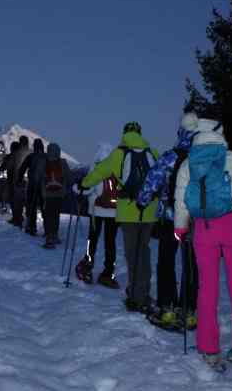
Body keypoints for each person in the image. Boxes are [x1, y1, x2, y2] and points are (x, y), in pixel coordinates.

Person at [173, 118, 232, 373]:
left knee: (207, 288)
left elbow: (181, 198)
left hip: (203, 228)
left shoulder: (189, 163)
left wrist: (180, 227)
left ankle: (209, 349)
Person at [80, 122, 159, 314]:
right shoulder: (153, 153)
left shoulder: (119, 153)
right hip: (149, 211)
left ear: (125, 134)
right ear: (140, 133)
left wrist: (83, 184)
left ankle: (135, 296)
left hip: (129, 210)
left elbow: (99, 172)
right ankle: (145, 292)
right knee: (145, 251)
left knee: (133, 254)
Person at [137, 113, 199, 331]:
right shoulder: (203, 157)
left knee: (167, 262)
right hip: (194, 221)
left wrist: (142, 201)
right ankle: (189, 310)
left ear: (180, 132)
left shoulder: (170, 157)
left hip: (171, 220)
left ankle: (167, 308)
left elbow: (152, 181)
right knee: (192, 265)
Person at [74, 143, 121, 288]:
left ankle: (87, 266)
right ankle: (108, 273)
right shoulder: (117, 168)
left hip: (97, 212)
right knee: (110, 243)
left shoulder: (98, 168)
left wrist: (77, 188)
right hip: (114, 212)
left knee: (92, 239)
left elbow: (88, 189)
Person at [42, 142, 71, 248]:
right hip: (59, 193)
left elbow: (40, 177)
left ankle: (49, 236)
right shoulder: (63, 162)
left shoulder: (45, 162)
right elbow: (69, 176)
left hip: (47, 193)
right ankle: (55, 235)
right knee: (56, 215)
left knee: (49, 215)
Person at [19, 139, 47, 235]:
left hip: (32, 185)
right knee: (44, 208)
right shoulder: (46, 157)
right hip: (44, 186)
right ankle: (48, 229)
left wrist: (19, 180)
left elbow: (22, 169)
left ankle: (31, 227)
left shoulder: (31, 157)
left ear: (34, 147)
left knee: (31, 206)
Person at [10, 135, 31, 228]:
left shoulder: (16, 153)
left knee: (17, 201)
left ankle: (17, 220)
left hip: (18, 180)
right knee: (28, 202)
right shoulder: (32, 153)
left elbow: (10, 166)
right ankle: (30, 222)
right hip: (29, 181)